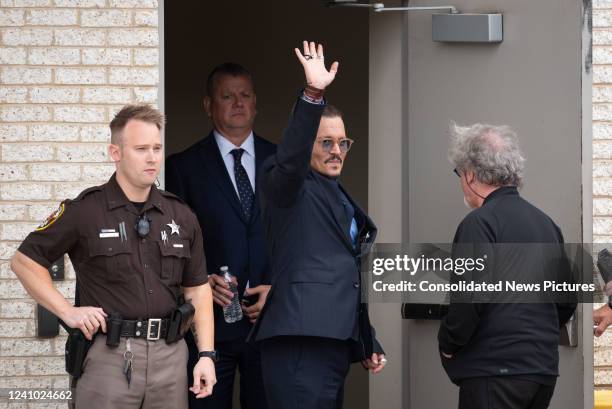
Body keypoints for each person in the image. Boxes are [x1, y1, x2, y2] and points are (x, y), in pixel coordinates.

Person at [10, 104, 216, 409]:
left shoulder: (181, 215)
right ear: (115, 152)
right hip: (110, 357)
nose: (152, 157)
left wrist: (206, 355)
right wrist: (67, 311)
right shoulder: (85, 211)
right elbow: (24, 261)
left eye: (157, 148)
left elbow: (197, 289)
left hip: (171, 357)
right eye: (141, 148)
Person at [249, 41, 386, 409]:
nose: (336, 150)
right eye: (326, 142)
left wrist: (368, 339)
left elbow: (345, 271)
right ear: (304, 142)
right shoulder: (286, 184)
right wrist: (313, 95)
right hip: (300, 338)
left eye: (343, 142)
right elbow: (290, 160)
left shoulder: (337, 193)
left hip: (332, 340)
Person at [438, 123, 576, 409]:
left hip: (493, 372)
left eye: (459, 174)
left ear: (471, 174)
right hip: (541, 372)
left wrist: (449, 344)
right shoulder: (546, 224)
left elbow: (469, 298)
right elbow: (567, 299)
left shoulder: (479, 223)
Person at [165, 62, 275, 409]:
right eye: (227, 96)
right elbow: (173, 244)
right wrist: (198, 282)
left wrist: (279, 287)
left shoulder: (283, 162)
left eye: (245, 95)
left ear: (256, 103)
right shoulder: (182, 166)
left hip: (270, 322)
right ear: (208, 105)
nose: (238, 103)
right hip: (209, 324)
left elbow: (297, 238)